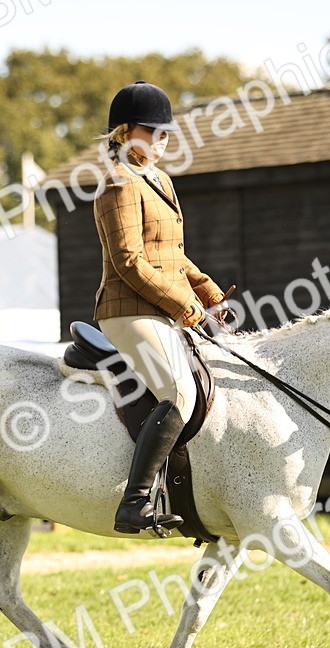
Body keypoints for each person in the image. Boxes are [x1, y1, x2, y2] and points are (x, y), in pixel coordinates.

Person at [93, 81, 227, 534]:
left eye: (167, 132)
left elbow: (168, 254)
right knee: (180, 392)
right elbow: (131, 262)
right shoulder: (117, 184)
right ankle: (133, 504)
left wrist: (206, 290)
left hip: (159, 306)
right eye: (154, 131)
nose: (164, 139)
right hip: (127, 308)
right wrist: (187, 307)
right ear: (125, 131)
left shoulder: (159, 180)